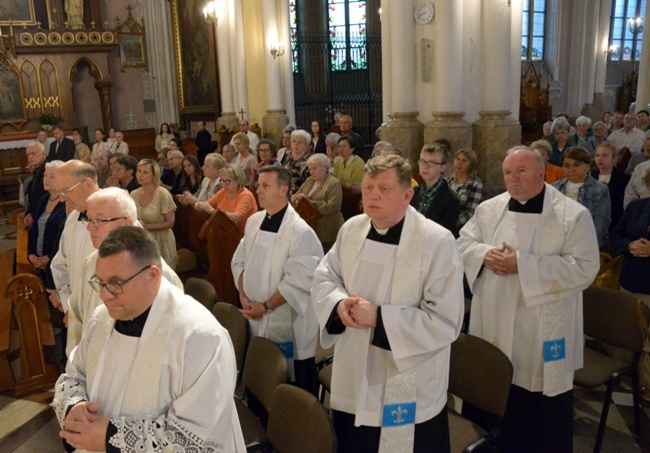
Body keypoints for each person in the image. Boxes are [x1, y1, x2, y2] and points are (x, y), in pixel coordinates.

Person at [312, 154, 464, 452]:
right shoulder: (352, 229)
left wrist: (380, 318)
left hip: (406, 376)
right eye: (368, 188)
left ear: (408, 195)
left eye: (384, 189)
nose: (373, 195)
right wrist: (338, 304)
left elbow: (445, 321)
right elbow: (325, 276)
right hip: (354, 367)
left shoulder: (437, 241)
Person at [457, 147, 600, 453]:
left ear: (541, 173)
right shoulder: (490, 209)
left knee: (538, 395)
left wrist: (523, 265)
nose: (513, 178)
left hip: (542, 324)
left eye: (521, 171)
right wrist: (484, 254)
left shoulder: (572, 215)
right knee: (493, 385)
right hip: (494, 315)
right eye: (508, 172)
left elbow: (586, 268)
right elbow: (463, 242)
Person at [53, 226, 245, 452]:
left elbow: (197, 438)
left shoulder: (199, 336)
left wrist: (110, 437)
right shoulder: (101, 319)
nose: (104, 295)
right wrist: (74, 406)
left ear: (152, 275)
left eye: (116, 283)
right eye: (101, 282)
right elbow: (74, 376)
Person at [233, 166, 323, 395]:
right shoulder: (254, 222)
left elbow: (298, 281)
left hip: (284, 319)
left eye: (265, 186)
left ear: (283, 190)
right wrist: (243, 296)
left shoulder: (300, 231)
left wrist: (265, 306)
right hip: (253, 313)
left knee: (288, 384)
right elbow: (239, 261)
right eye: (258, 185)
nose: (258, 190)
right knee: (260, 379)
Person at [70, 187, 183, 335]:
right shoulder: (92, 261)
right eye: (89, 220)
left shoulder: (155, 274)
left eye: (99, 220)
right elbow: (79, 314)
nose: (90, 228)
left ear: (127, 224)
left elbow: (167, 336)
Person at [50, 160, 101, 355]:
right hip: (77, 314)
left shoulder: (118, 217)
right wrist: (69, 306)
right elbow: (60, 265)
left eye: (66, 191)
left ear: (88, 184)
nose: (63, 199)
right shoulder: (73, 218)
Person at [552, 147, 611, 247]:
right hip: (556, 243)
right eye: (566, 165)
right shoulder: (554, 188)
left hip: (586, 244)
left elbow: (600, 225)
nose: (571, 169)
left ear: (588, 166)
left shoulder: (600, 190)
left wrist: (579, 245)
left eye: (577, 165)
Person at [131, 159, 178, 270]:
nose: (140, 175)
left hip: (161, 241)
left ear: (154, 175)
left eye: (145, 172)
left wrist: (147, 227)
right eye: (139, 171)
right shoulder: (134, 194)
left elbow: (170, 222)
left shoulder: (162, 194)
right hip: (142, 241)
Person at [610, 175, 650, 305]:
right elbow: (616, 235)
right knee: (629, 324)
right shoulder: (635, 206)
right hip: (632, 281)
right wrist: (629, 246)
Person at [292, 153, 344, 251]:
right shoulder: (309, 181)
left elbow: (332, 207)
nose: (311, 172)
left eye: (314, 169)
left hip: (327, 230)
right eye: (310, 169)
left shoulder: (333, 183)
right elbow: (294, 197)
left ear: (324, 167)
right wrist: (300, 199)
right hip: (309, 227)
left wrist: (307, 202)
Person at [28, 160, 67, 285]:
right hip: (39, 263)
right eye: (45, 175)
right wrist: (31, 254)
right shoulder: (43, 200)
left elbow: (64, 237)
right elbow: (34, 229)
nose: (46, 179)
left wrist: (50, 257)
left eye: (52, 176)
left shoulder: (66, 202)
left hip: (57, 264)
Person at [412, 143, 460, 236]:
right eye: (422, 161)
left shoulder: (451, 200)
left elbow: (443, 235)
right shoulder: (413, 192)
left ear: (442, 167)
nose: (425, 166)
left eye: (431, 163)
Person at [195, 164, 258, 235]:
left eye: (228, 181)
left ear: (238, 181)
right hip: (224, 232)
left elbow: (238, 218)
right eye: (222, 180)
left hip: (240, 236)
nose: (224, 184)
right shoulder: (224, 191)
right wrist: (200, 205)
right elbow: (209, 203)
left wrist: (213, 211)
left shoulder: (246, 195)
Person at [591, 143, 630, 232]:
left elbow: (621, 204)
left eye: (605, 155)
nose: (600, 158)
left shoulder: (624, 179)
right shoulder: (589, 175)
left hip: (614, 222)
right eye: (597, 155)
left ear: (613, 158)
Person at [446, 148, 484, 229]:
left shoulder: (475, 183)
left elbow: (471, 213)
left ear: (471, 165)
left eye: (464, 161)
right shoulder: (446, 181)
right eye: (457, 159)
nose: (459, 163)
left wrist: (449, 223)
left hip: (462, 227)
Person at [24, 142, 48, 223]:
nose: (30, 157)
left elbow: (44, 197)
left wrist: (33, 215)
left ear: (44, 154)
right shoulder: (37, 169)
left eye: (33, 153)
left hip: (45, 215)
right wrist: (29, 213)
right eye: (28, 155)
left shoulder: (47, 170)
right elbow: (33, 196)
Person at [285, 129, 312, 194]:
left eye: (300, 142)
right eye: (294, 141)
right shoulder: (288, 157)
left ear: (306, 145)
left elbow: (307, 185)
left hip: (299, 194)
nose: (296, 144)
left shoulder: (309, 162)